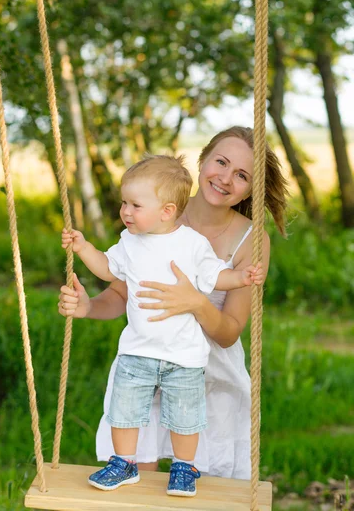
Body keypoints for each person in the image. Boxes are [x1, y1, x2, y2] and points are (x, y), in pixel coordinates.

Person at [59, 126, 288, 484]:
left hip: (211, 372)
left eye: (242, 175)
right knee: (137, 479)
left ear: (252, 186)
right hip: (148, 359)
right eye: (221, 162)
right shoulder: (154, 214)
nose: (226, 179)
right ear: (202, 160)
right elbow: (121, 293)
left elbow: (228, 333)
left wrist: (195, 302)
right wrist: (88, 307)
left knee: (206, 488)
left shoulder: (251, 238)